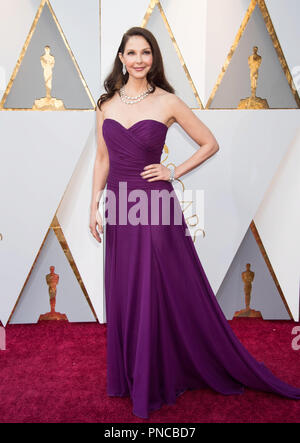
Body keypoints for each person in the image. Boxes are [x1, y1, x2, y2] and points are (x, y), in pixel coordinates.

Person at [90, 27, 300, 419]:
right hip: (120, 205)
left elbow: (210, 142)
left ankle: (158, 371)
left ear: (154, 59)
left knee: (155, 285)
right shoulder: (105, 104)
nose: (139, 60)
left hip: (154, 205)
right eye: (132, 53)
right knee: (127, 287)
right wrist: (93, 205)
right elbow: (102, 159)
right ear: (121, 57)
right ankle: (135, 370)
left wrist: (173, 171)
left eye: (146, 53)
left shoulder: (168, 101)